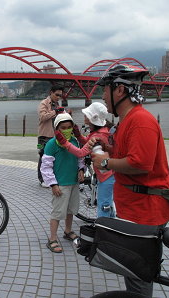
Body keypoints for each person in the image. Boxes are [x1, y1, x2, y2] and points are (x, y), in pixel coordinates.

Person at [91, 64, 169, 297]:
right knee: (133, 273)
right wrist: (108, 148)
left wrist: (106, 162)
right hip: (134, 208)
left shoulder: (140, 121)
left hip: (144, 211)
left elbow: (140, 163)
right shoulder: (127, 119)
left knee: (138, 277)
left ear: (119, 91)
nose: (103, 97)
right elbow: (128, 154)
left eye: (105, 91)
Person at [55, 102, 116, 218]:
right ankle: (112, 225)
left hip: (106, 176)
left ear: (92, 118)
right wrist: (78, 135)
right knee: (109, 204)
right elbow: (88, 143)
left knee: (104, 205)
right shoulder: (102, 131)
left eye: (86, 114)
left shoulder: (97, 135)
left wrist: (65, 143)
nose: (84, 116)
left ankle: (104, 229)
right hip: (110, 174)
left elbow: (81, 152)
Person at [41, 113, 84, 253]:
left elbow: (80, 158)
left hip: (73, 182)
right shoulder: (52, 144)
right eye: (63, 127)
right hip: (60, 185)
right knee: (57, 212)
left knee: (71, 210)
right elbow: (46, 166)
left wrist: (81, 170)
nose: (66, 130)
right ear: (57, 128)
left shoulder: (74, 141)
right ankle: (52, 239)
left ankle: (68, 231)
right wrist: (53, 184)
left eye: (69, 127)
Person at [37, 85, 65, 188]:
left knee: (53, 157)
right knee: (43, 157)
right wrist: (55, 112)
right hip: (44, 135)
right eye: (57, 94)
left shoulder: (57, 104)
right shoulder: (44, 103)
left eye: (60, 96)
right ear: (51, 92)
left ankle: (51, 178)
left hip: (55, 135)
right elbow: (42, 117)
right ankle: (42, 179)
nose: (58, 97)